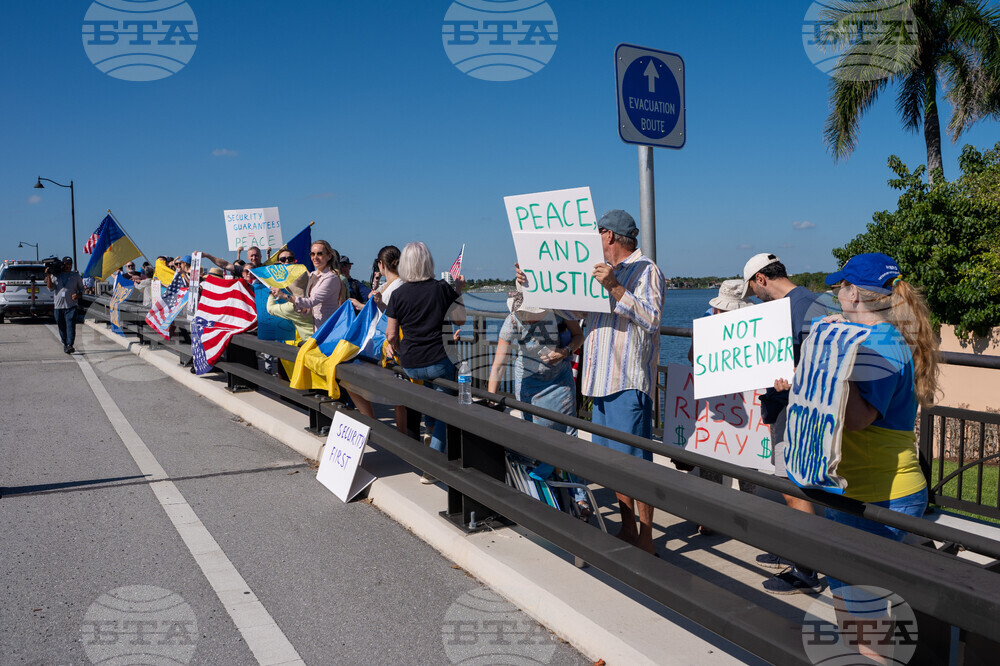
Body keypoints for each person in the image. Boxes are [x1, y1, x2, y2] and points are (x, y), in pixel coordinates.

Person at [811, 253, 937, 661]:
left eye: (839, 288)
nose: (835, 296)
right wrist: (835, 339)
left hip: (882, 493)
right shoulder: (876, 335)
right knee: (855, 610)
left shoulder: (880, 344)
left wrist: (829, 361)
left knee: (863, 619)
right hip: (860, 486)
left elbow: (860, 419)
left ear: (854, 295)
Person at [517, 209, 665, 555]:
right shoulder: (602, 272)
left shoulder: (647, 270)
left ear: (609, 236)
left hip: (627, 381)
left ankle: (646, 539)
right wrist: (535, 284)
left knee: (635, 464)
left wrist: (614, 287)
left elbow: (652, 319)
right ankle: (628, 531)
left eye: (597, 234)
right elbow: (578, 313)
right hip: (599, 381)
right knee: (611, 464)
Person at [739, 252, 832, 593]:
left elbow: (826, 362)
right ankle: (795, 551)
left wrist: (796, 378)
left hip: (798, 412)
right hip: (784, 407)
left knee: (794, 489)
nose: (755, 297)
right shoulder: (804, 303)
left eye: (753, 290)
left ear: (761, 279)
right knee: (787, 485)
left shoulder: (807, 307)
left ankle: (805, 569)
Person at [487, 291, 589, 515]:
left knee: (568, 436)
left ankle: (579, 498)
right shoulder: (513, 320)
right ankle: (545, 490)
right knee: (533, 438)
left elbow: (579, 336)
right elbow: (499, 364)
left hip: (559, 380)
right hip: (528, 382)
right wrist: (492, 401)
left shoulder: (557, 309)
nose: (532, 318)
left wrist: (564, 352)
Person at [385, 242, 466, 483]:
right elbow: (460, 321)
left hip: (411, 363)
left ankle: (429, 430)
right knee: (445, 409)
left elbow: (390, 335)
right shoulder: (442, 289)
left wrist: (400, 351)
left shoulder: (398, 294)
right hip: (439, 359)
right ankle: (432, 463)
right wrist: (458, 291)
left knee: (429, 389)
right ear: (428, 262)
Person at [687, 279, 758, 535]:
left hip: (747, 399)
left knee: (748, 459)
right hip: (717, 398)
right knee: (711, 455)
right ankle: (712, 515)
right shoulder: (706, 322)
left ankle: (750, 515)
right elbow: (693, 358)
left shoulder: (758, 326)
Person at [293, 241, 347, 328]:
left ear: (329, 256)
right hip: (317, 329)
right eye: (312, 254)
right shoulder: (312, 275)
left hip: (329, 330)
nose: (315, 257)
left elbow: (311, 301)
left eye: (320, 254)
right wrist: (301, 308)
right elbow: (309, 307)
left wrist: (285, 296)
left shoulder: (331, 278)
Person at [266, 249, 314, 341]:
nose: (287, 261)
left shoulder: (291, 307)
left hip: (310, 342)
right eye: (283, 259)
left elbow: (270, 309)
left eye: (290, 259)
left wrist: (272, 292)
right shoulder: (317, 297)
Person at [45, 256, 84, 354]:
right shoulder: (56, 275)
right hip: (58, 307)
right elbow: (50, 288)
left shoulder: (75, 276)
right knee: (61, 326)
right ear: (63, 264)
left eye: (70, 265)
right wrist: (49, 276)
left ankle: (70, 345)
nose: (68, 266)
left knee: (70, 325)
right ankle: (65, 343)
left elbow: (82, 290)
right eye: (66, 264)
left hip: (71, 306)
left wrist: (78, 295)